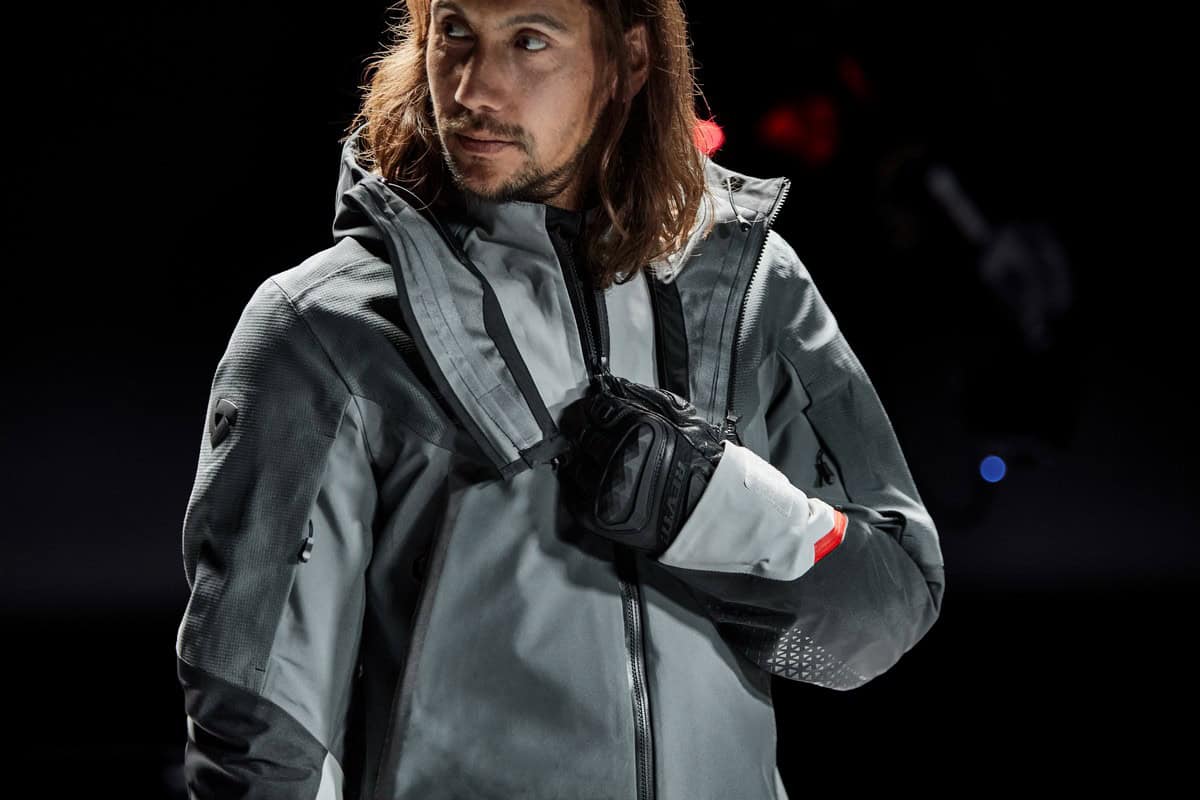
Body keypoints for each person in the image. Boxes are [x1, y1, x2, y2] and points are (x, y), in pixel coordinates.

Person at [173, 1, 947, 798]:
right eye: (454, 32)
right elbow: (262, 744)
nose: (473, 88)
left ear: (628, 60)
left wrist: (708, 505)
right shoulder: (325, 327)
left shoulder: (748, 288)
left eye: (529, 41)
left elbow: (882, 619)